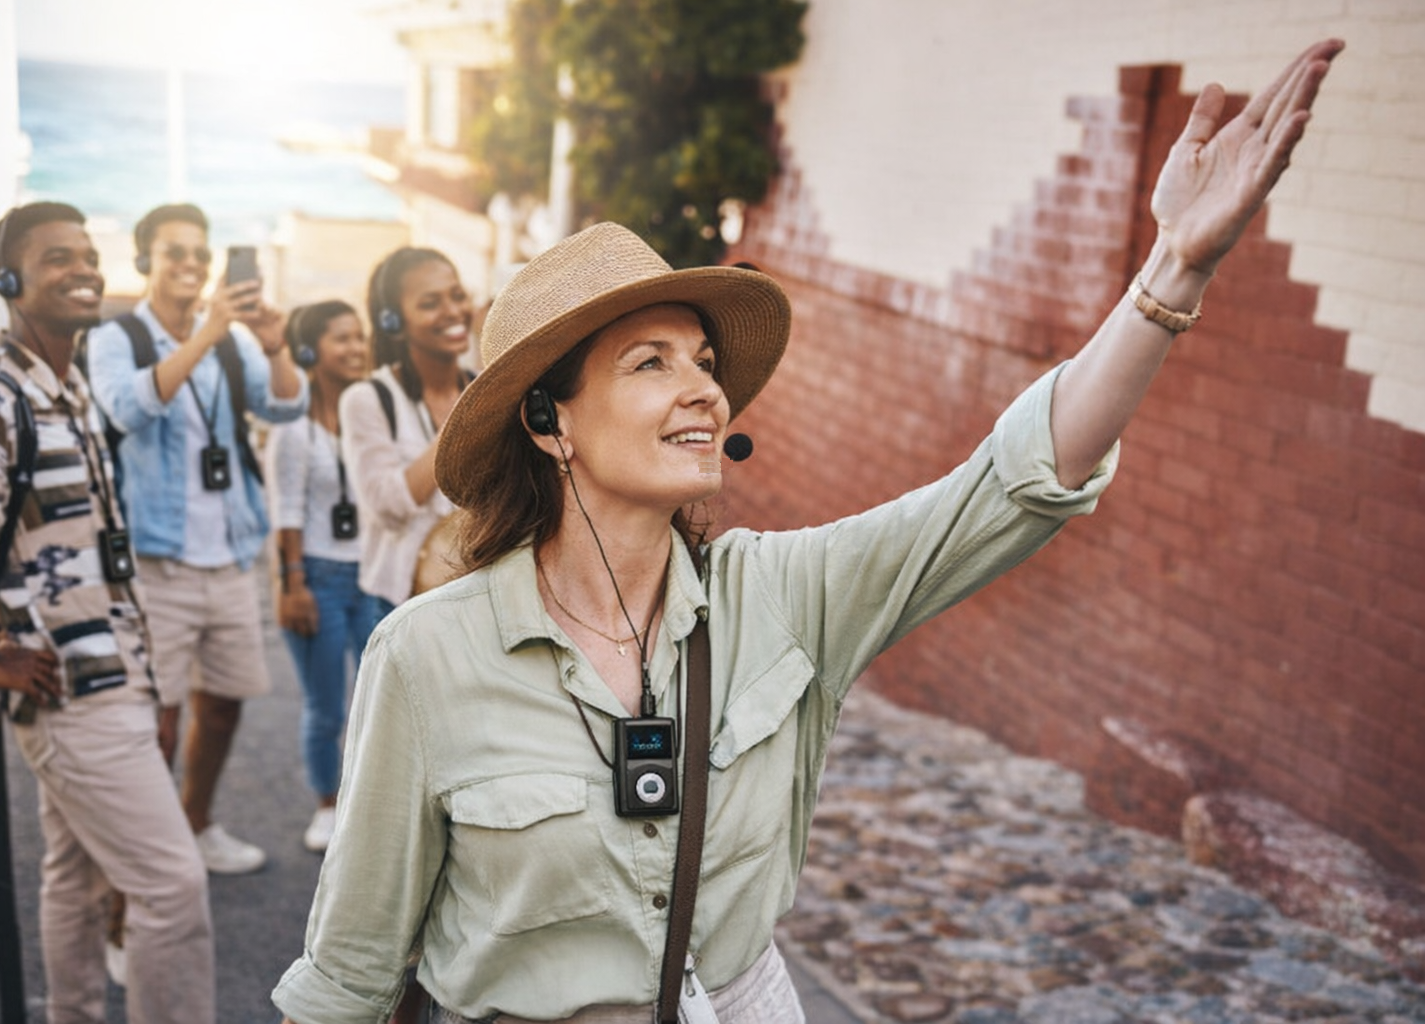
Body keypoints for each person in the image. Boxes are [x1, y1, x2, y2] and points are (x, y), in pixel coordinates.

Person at [272, 40, 1344, 1024]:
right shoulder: (425, 656)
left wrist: (1174, 272)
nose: (701, 389)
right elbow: (354, 972)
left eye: (703, 361)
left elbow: (1009, 485)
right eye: (649, 363)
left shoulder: (783, 597)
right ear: (550, 422)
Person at [0, 202, 214, 1024]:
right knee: (172, 887)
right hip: (74, 697)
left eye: (89, 254)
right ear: (8, 281)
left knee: (73, 876)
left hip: (114, 679)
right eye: (57, 258)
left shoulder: (65, 388)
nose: (83, 270)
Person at [86, 203, 307, 874]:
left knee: (225, 704)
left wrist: (271, 344)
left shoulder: (234, 341)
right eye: (174, 252)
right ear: (146, 260)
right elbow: (126, 408)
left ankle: (195, 822)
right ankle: (147, 859)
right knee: (157, 721)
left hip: (233, 554)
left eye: (199, 253)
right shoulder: (116, 338)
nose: (190, 264)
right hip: (157, 560)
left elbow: (288, 404)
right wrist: (208, 332)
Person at [266, 300, 380, 852]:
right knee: (327, 705)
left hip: (371, 574)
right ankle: (327, 806)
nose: (357, 348)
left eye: (360, 337)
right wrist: (293, 584)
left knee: (380, 700)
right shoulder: (294, 430)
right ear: (310, 351)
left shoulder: (370, 414)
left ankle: (371, 803)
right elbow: (285, 511)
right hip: (316, 573)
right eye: (342, 339)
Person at [338, 248, 474, 615]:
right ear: (393, 321)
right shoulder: (366, 399)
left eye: (457, 295)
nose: (453, 311)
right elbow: (389, 507)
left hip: (473, 599)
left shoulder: (485, 389)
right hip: (395, 603)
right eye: (430, 303)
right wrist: (457, 427)